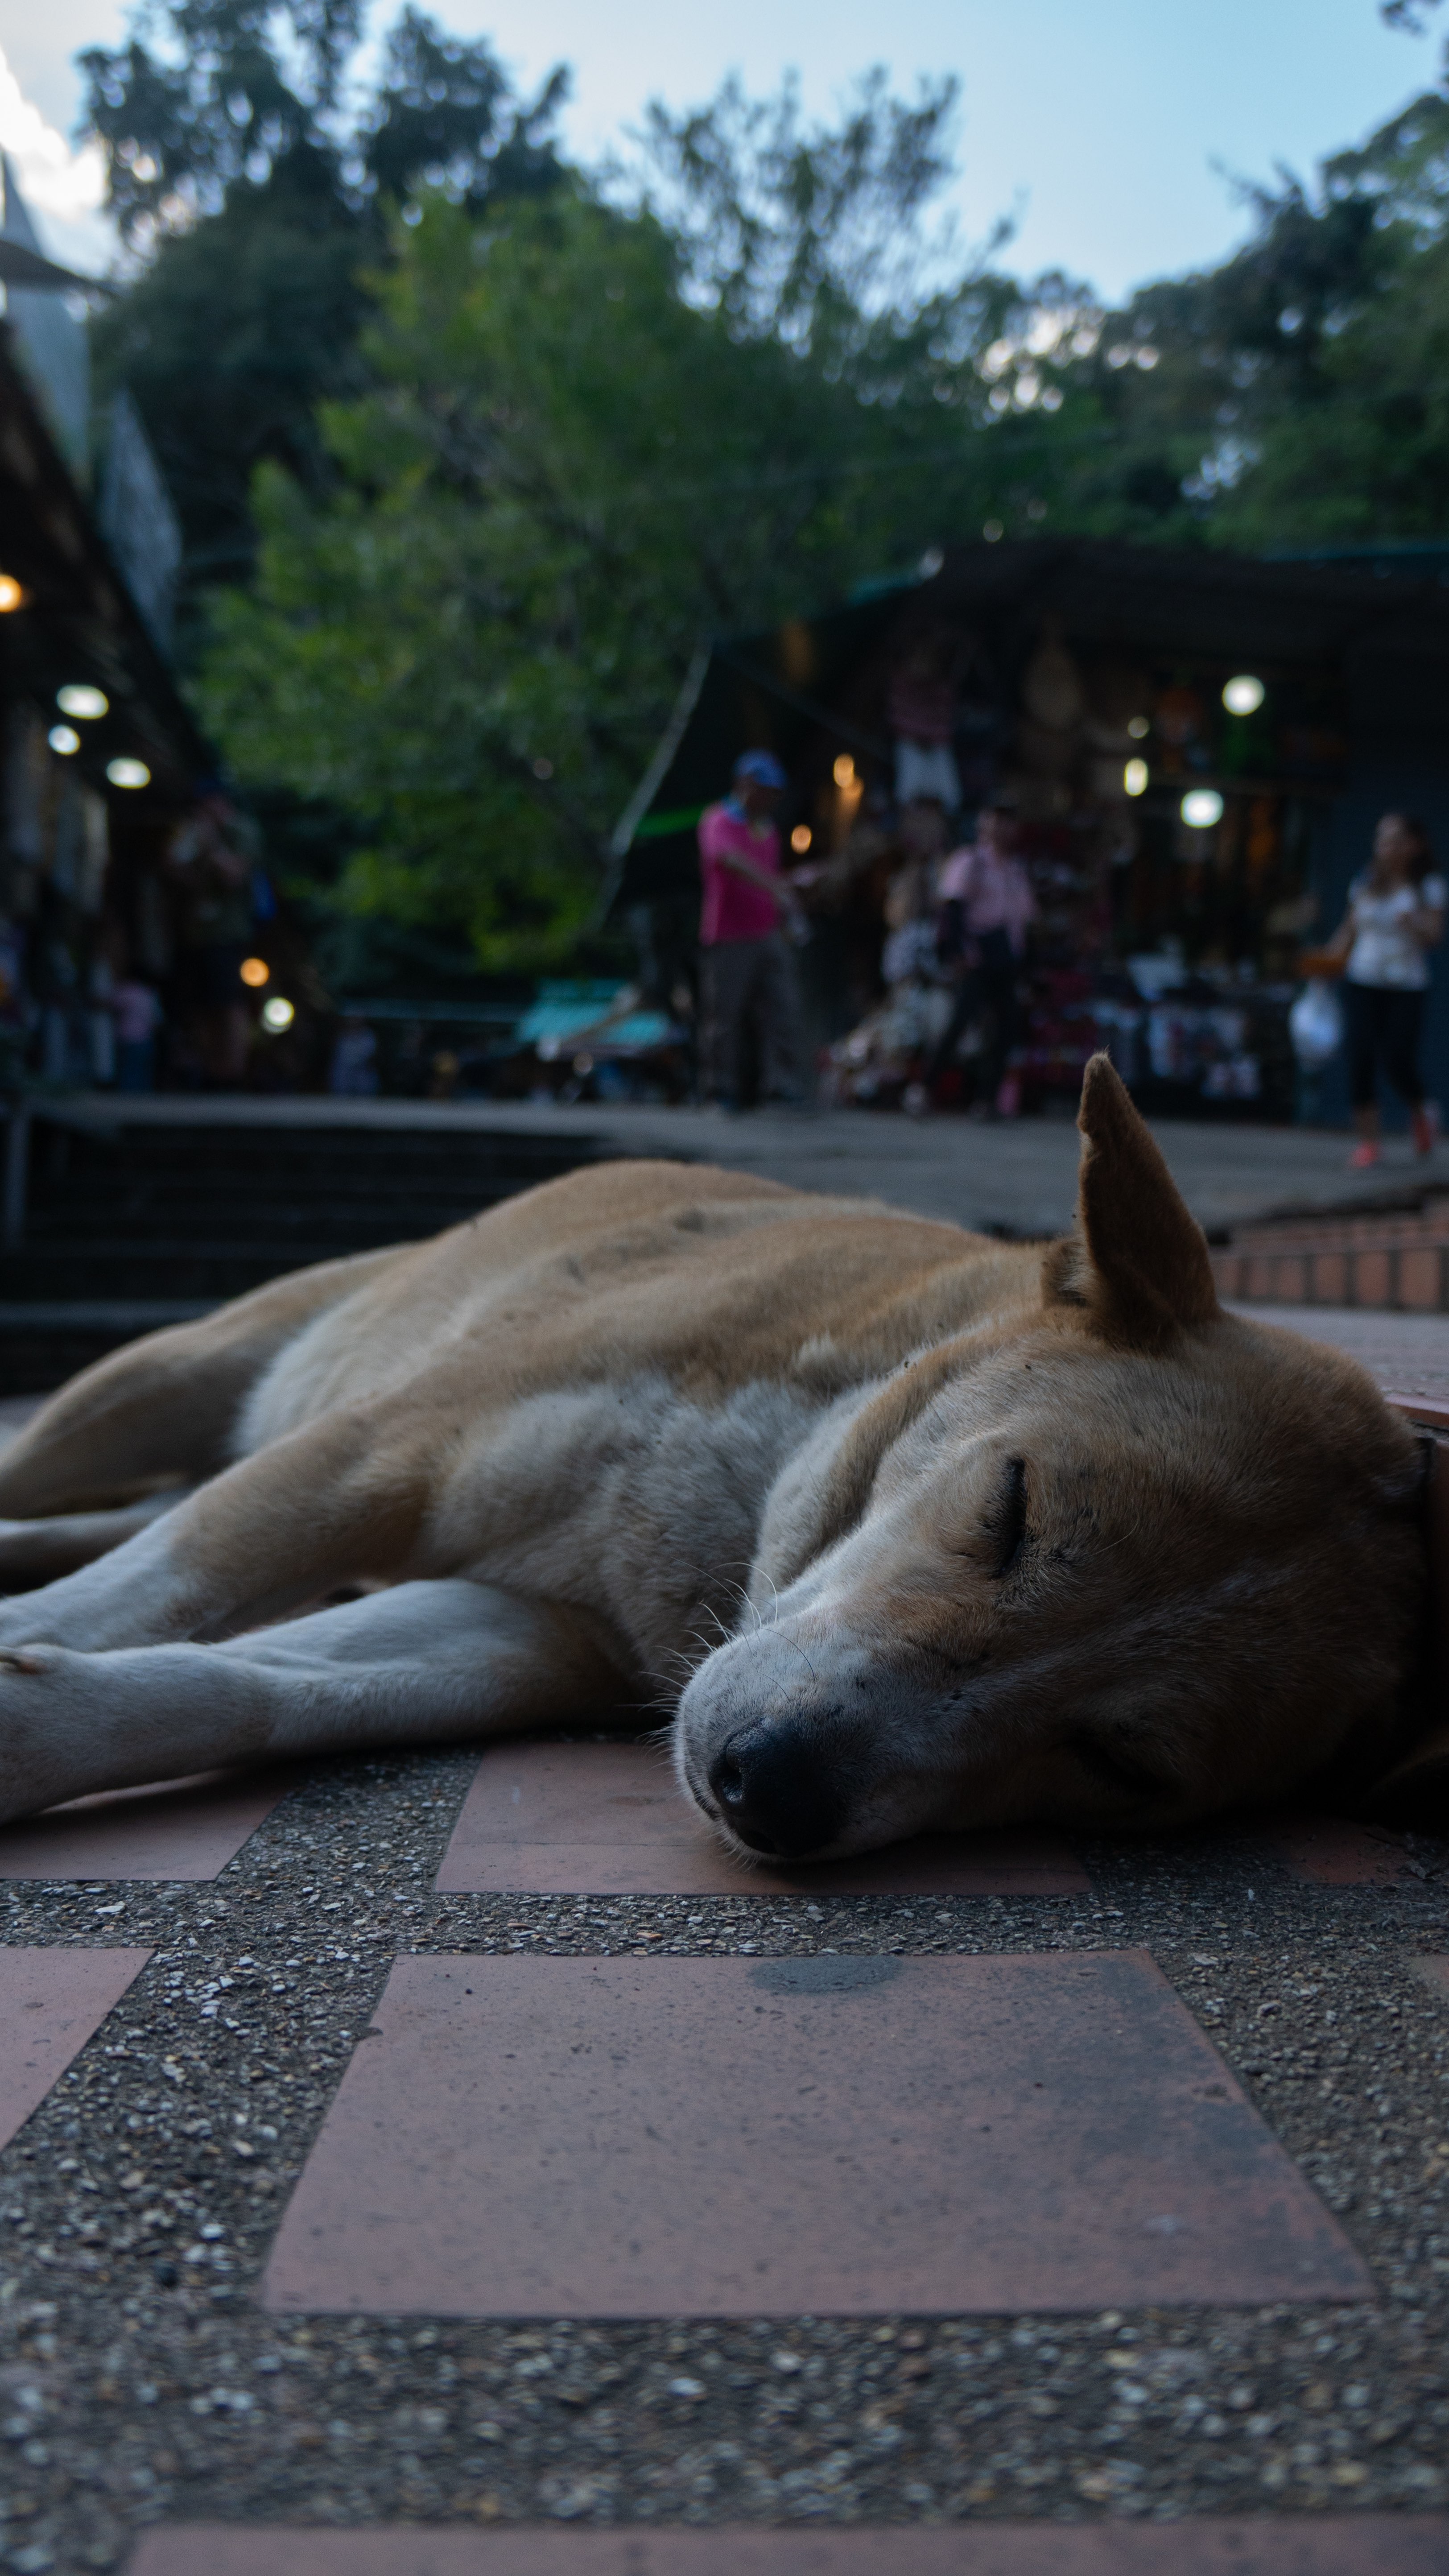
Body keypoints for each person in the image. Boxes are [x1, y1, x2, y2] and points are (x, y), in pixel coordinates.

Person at [1326, 811, 1446, 1167]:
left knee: (1397, 1058)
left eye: (1395, 840)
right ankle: (1368, 1141)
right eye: (1382, 839)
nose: (1386, 847)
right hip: (1363, 977)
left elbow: (1433, 936)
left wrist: (1413, 924)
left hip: (1406, 983)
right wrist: (1326, 962)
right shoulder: (1366, 879)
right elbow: (1350, 927)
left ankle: (1421, 1111)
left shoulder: (1427, 885)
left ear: (1414, 845)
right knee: (1360, 1056)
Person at [697, 749, 810, 1110]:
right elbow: (727, 860)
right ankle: (720, 1089)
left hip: (767, 931)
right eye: (764, 791)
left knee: (784, 1009)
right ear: (745, 785)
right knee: (724, 1017)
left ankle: (782, 1086)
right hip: (729, 934)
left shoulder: (767, 830)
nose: (769, 799)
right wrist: (776, 885)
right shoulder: (718, 820)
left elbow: (771, 881)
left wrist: (792, 888)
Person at [929, 799, 1036, 1114]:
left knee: (1006, 1027)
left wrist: (1024, 959)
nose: (1002, 829)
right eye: (996, 820)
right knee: (960, 1022)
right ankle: (925, 1088)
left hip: (1006, 956)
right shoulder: (970, 861)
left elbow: (1024, 918)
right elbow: (953, 909)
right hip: (978, 954)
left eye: (1008, 822)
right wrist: (961, 951)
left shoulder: (1016, 869)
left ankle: (987, 1098)